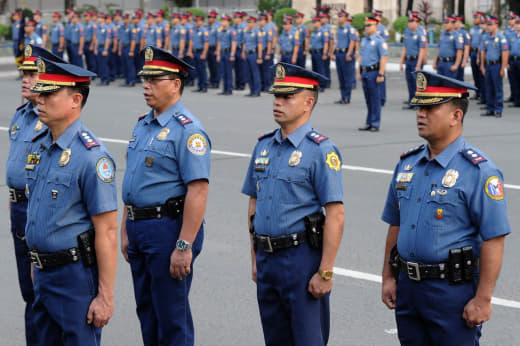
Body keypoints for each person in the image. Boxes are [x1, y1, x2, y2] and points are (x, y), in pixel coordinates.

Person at [381, 70, 511, 346]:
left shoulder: (479, 171)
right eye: (419, 107)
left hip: (451, 292)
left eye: (430, 108)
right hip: (409, 289)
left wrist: (483, 299)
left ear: (456, 116)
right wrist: (389, 277)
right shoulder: (407, 165)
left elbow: (494, 237)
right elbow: (396, 224)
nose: (420, 114)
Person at [241, 62, 344, 346]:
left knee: (308, 339)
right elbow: (254, 205)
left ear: (308, 102)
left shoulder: (320, 150)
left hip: (300, 259)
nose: (278, 102)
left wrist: (326, 271)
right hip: (267, 257)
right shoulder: (264, 146)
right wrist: (255, 259)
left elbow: (335, 214)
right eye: (276, 96)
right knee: (275, 339)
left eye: (287, 97)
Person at [121, 46, 210, 346]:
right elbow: (133, 180)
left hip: (167, 229)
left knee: (172, 316)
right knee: (147, 311)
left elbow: (198, 190)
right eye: (144, 79)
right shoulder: (143, 124)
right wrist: (125, 228)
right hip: (139, 228)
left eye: (154, 79)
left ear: (175, 83)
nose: (146, 85)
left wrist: (184, 245)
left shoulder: (188, 130)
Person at [27, 57, 118, 346]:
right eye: (39, 92)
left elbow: (107, 231)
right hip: (42, 273)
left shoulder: (91, 156)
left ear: (75, 100)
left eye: (49, 94)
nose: (39, 99)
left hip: (73, 277)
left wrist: (105, 296)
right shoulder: (41, 146)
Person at [7, 44, 65, 346]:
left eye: (33, 73)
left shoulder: (51, 120)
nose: (25, 78)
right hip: (19, 211)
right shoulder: (22, 116)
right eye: (24, 72)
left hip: (39, 211)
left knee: (42, 293)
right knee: (28, 294)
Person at [357, 16, 388, 132]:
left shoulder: (379, 40)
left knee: (375, 99)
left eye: (369, 25)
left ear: (376, 26)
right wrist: (359, 71)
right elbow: (361, 57)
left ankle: (375, 123)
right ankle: (369, 122)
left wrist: (381, 74)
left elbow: (383, 58)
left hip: (374, 72)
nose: (367, 28)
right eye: (366, 26)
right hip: (365, 71)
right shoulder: (364, 40)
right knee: (368, 99)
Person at [480, 15, 509, 118]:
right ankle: (490, 108)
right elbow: (483, 52)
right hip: (488, 65)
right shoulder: (485, 37)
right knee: (488, 87)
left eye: (490, 25)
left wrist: (503, 68)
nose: (488, 27)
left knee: (497, 88)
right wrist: (482, 66)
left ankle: (498, 109)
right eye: (487, 25)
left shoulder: (501, 38)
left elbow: (505, 53)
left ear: (496, 25)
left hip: (497, 65)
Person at [400, 14, 427, 109]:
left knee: (417, 83)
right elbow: (404, 47)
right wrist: (401, 61)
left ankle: (418, 102)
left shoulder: (420, 34)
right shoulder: (407, 33)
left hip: (416, 60)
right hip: (408, 60)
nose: (410, 23)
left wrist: (419, 64)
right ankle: (412, 101)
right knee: (409, 81)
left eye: (412, 21)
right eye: (409, 21)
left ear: (417, 23)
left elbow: (422, 50)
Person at [333, 10, 357, 105]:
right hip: (339, 53)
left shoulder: (350, 29)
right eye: (338, 16)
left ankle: (347, 97)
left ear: (346, 18)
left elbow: (352, 42)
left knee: (347, 76)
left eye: (341, 16)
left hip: (346, 54)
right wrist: (332, 52)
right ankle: (343, 96)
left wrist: (349, 53)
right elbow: (337, 42)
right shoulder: (339, 29)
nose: (339, 18)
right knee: (341, 76)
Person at [242, 16, 262, 97]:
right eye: (248, 22)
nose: (249, 24)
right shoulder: (245, 32)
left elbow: (260, 45)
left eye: (250, 22)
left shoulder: (257, 32)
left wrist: (259, 57)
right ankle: (252, 90)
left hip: (253, 54)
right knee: (248, 73)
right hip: (247, 54)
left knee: (255, 73)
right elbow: (244, 43)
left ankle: (257, 91)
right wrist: (243, 52)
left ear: (254, 23)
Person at [216, 14, 237, 95]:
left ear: (228, 22)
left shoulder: (232, 31)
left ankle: (229, 89)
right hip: (222, 53)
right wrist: (218, 54)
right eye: (222, 20)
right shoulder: (220, 31)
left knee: (228, 71)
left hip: (228, 52)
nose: (223, 22)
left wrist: (232, 54)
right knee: (223, 72)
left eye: (224, 21)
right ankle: (224, 89)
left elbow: (234, 43)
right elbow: (219, 43)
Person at [373, 9, 388, 106]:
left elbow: (386, 44)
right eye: (375, 16)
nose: (377, 18)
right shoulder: (371, 27)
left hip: (380, 57)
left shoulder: (383, 29)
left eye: (378, 16)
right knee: (374, 78)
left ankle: (382, 98)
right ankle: (376, 97)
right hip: (373, 57)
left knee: (381, 76)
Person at [309, 16, 328, 92]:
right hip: (313, 53)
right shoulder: (313, 32)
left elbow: (326, 43)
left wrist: (325, 53)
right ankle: (316, 85)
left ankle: (322, 85)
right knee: (314, 70)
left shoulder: (323, 31)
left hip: (320, 53)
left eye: (315, 22)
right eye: (313, 22)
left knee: (321, 70)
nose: (314, 24)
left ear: (319, 22)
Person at [191, 15, 209, 93]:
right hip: (195, 52)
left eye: (198, 21)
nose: (196, 23)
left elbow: (206, 43)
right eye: (195, 21)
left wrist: (204, 53)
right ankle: (199, 86)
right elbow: (192, 41)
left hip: (201, 52)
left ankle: (204, 86)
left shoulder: (204, 31)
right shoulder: (193, 30)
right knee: (197, 70)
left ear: (201, 21)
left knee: (202, 70)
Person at [469, 12, 485, 100]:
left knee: (480, 74)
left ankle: (483, 93)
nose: (475, 19)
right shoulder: (472, 29)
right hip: (473, 52)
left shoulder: (483, 29)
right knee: (475, 73)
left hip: (480, 53)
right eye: (474, 18)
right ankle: (477, 92)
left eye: (476, 18)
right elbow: (470, 41)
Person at [118, 13, 137, 87]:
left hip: (129, 48)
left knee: (130, 65)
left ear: (128, 20)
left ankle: (132, 81)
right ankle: (127, 80)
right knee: (124, 65)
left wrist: (131, 51)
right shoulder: (121, 28)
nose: (124, 20)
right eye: (123, 19)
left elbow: (133, 40)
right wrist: (119, 50)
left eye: (125, 19)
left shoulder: (132, 28)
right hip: (123, 48)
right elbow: (120, 40)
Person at [504, 12, 518, 103]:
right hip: (511, 59)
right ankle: (514, 96)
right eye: (509, 19)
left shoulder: (517, 32)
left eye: (512, 19)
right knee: (512, 79)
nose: (510, 21)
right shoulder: (507, 32)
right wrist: (506, 61)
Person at [258, 13, 273, 92]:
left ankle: (267, 86)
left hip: (265, 52)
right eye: (259, 20)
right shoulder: (259, 30)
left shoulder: (268, 30)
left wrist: (268, 53)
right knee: (260, 70)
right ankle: (262, 86)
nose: (260, 22)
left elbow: (269, 42)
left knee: (266, 70)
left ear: (266, 21)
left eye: (262, 20)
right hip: (260, 52)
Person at [95, 14, 112, 86]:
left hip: (103, 48)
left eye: (100, 18)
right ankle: (102, 79)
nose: (99, 19)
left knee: (104, 64)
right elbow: (97, 39)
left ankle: (106, 79)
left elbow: (108, 39)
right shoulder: (98, 28)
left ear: (103, 19)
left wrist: (105, 49)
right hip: (99, 47)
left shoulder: (106, 28)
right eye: (98, 17)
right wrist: (95, 48)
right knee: (100, 64)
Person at [233, 11, 247, 90]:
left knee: (241, 68)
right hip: (235, 49)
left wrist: (243, 51)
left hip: (241, 49)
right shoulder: (234, 27)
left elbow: (244, 40)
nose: (235, 19)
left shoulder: (244, 27)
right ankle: (237, 83)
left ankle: (242, 84)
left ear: (240, 18)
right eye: (234, 17)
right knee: (236, 68)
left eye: (236, 17)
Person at [207, 11, 221, 89]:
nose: (209, 19)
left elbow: (218, 40)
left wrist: (217, 50)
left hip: (214, 49)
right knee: (210, 66)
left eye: (210, 17)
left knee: (216, 67)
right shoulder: (208, 27)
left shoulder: (217, 27)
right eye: (208, 17)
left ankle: (216, 82)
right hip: (208, 49)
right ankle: (212, 81)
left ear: (214, 18)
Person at [455, 15, 471, 81]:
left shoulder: (464, 33)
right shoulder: (452, 32)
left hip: (460, 58)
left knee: (459, 78)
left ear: (460, 23)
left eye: (456, 22)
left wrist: (464, 60)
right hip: (452, 58)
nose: (454, 23)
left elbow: (467, 48)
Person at [508, 17, 520, 107]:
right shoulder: (511, 36)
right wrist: (507, 62)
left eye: (519, 24)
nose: (517, 25)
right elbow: (507, 50)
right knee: (514, 81)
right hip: (512, 60)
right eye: (516, 24)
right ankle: (516, 101)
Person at [320, 13, 333, 88]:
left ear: (326, 19)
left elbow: (331, 41)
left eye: (323, 18)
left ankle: (328, 82)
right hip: (320, 50)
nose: (322, 19)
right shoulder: (319, 27)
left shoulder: (329, 28)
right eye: (321, 18)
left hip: (326, 50)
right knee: (321, 67)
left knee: (326, 67)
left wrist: (329, 52)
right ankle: (322, 81)